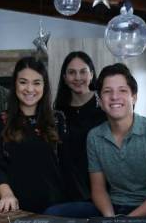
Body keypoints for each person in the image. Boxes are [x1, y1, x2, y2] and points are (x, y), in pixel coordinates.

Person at [87, 63, 146, 217]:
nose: (115, 97)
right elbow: (98, 190)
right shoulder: (94, 137)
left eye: (122, 90)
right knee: (55, 214)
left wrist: (128, 221)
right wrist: (111, 219)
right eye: (107, 91)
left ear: (134, 97)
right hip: (113, 208)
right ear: (100, 101)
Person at [0, 57, 67, 213]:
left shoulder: (58, 119)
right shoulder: (0, 121)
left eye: (36, 83)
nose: (30, 89)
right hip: (15, 207)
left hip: (55, 208)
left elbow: (66, 165)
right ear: (15, 84)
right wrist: (6, 195)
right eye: (23, 82)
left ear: (44, 86)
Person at [53, 51, 106, 201]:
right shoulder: (58, 111)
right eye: (71, 72)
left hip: (101, 187)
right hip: (67, 188)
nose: (77, 78)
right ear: (64, 77)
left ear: (91, 74)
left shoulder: (104, 105)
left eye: (83, 72)